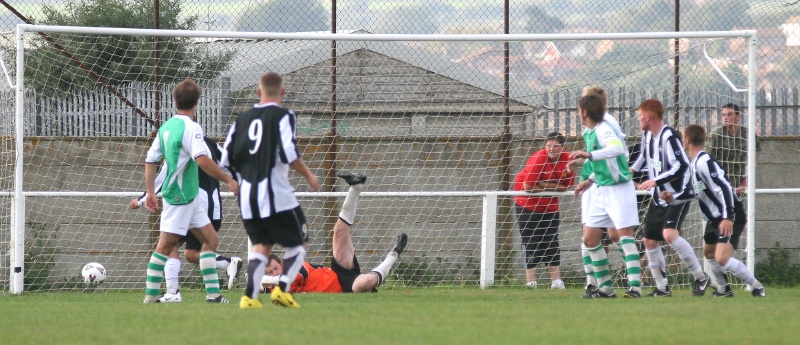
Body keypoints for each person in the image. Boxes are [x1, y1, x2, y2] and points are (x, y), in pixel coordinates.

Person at [221, 71, 319, 309]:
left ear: (258, 92)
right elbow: (288, 153)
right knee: (299, 243)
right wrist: (308, 175)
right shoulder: (284, 116)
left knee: (261, 246)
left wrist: (235, 181)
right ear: (283, 92)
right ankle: (282, 290)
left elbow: (225, 160)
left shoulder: (241, 119)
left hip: (248, 197)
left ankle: (250, 298)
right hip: (276, 194)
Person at [142, 78, 239, 304]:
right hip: (180, 196)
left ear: (174, 100)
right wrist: (229, 180)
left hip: (191, 196)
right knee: (166, 246)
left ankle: (213, 295)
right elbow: (202, 159)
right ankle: (150, 297)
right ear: (197, 103)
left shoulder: (166, 127)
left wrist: (149, 192)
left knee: (210, 240)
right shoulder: (192, 127)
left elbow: (150, 160)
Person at [130, 135, 243, 303]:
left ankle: (171, 292)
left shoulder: (180, 145)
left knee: (169, 245)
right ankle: (226, 266)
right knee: (191, 254)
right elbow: (230, 163)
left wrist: (142, 199)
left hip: (193, 205)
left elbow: (164, 177)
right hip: (214, 209)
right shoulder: (210, 143)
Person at [661, 124, 766, 297]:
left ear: (687, 140)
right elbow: (691, 192)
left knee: (722, 258)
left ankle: (757, 287)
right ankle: (724, 289)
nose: (681, 141)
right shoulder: (694, 164)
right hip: (714, 217)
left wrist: (728, 216)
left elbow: (725, 187)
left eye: (682, 138)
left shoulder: (705, 162)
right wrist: (672, 199)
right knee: (709, 253)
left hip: (728, 214)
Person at [261, 172, 408, 293]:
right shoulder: (275, 289)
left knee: (338, 231)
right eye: (270, 272)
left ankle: (356, 186)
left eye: (275, 268)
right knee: (366, 282)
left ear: (282, 264)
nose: (275, 273)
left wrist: (268, 281)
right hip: (346, 287)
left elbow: (299, 275)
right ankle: (394, 254)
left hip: (337, 273)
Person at [629, 99, 709, 297]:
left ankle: (701, 277)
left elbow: (681, 166)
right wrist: (628, 173)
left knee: (669, 234)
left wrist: (655, 181)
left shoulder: (669, 137)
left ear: (648, 116)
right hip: (659, 196)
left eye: (639, 116)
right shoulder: (647, 135)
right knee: (649, 241)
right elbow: (641, 159)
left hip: (678, 194)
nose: (638, 119)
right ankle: (662, 287)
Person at [569, 93, 643, 298]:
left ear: (584, 112)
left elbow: (616, 149)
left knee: (624, 236)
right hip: (601, 188)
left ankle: (635, 287)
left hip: (619, 189)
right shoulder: (590, 132)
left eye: (578, 111)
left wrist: (589, 155)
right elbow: (603, 163)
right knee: (590, 239)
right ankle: (606, 288)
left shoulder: (604, 129)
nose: (578, 114)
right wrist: (589, 180)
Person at [513, 132, 574, 289]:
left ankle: (556, 282)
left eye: (555, 146)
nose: (551, 149)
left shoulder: (568, 159)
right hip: (528, 204)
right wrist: (552, 187)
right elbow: (528, 188)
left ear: (562, 147)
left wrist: (542, 185)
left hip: (550, 205)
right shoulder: (538, 159)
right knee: (531, 241)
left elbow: (566, 186)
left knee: (551, 241)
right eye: (548, 146)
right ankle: (531, 282)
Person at [707, 103, 761, 196]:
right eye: (723, 115)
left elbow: (753, 161)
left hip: (740, 183)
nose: (725, 118)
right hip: (719, 184)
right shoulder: (716, 134)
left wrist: (745, 183)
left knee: (742, 209)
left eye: (729, 114)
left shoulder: (748, 134)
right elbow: (707, 161)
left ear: (738, 116)